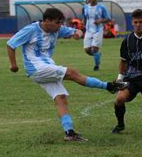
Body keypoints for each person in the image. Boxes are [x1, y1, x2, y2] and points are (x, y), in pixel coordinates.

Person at [7, 8, 128, 142]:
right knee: (72, 72)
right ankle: (109, 86)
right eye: (57, 23)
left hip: (46, 68)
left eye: (60, 23)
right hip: (36, 68)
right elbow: (11, 44)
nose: (60, 26)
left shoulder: (56, 29)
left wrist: (78, 33)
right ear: (47, 21)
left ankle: (69, 132)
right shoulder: (31, 30)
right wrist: (13, 65)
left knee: (61, 98)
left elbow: (78, 31)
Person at [82, 0, 111, 71]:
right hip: (88, 31)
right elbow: (84, 17)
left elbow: (108, 18)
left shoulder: (101, 7)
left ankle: (96, 66)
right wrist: (83, 23)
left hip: (98, 31)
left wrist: (100, 21)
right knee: (87, 50)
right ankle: (97, 55)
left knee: (94, 48)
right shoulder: (85, 7)